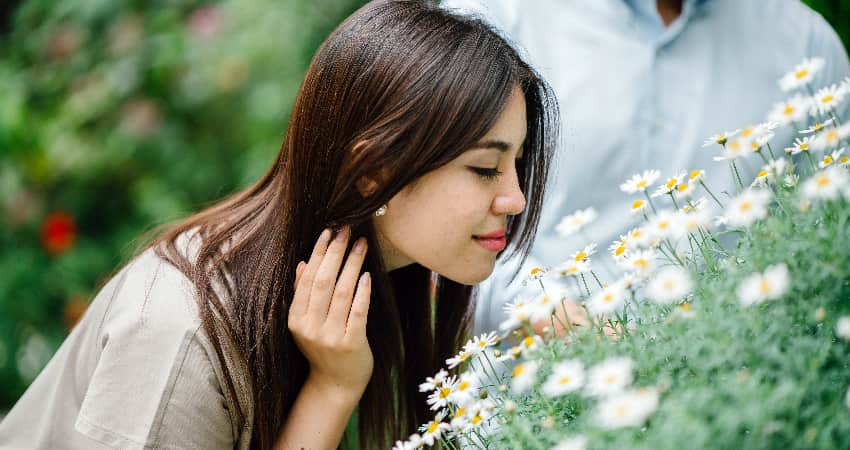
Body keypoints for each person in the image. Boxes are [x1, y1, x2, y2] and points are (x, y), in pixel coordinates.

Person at [0, 1, 559, 449]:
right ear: (375, 171)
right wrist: (331, 391)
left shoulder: (388, 287)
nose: (514, 197)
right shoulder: (184, 334)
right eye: (485, 168)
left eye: (517, 162)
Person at [442, 0, 850, 335]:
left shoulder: (805, 44)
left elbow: (831, 239)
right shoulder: (496, 15)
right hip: (529, 403)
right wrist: (558, 319)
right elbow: (440, 227)